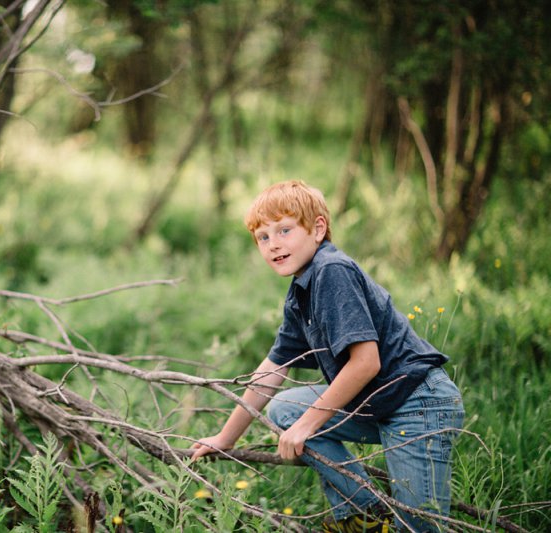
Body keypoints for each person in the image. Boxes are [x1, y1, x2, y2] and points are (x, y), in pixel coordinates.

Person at [190, 180, 465, 532]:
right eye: (263, 237)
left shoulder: (331, 271)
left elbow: (367, 363)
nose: (274, 244)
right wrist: (225, 439)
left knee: (417, 526)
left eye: (284, 230)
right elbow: (273, 369)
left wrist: (308, 426)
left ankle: (377, 515)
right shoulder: (300, 290)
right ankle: (364, 512)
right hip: (378, 402)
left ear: (318, 229)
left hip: (417, 403)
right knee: (285, 409)